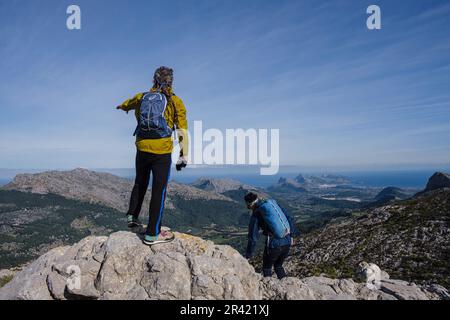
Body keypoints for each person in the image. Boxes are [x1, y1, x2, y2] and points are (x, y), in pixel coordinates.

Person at [116, 66, 188, 245]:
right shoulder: (175, 101)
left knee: (140, 182)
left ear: (153, 80)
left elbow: (128, 103)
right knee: (159, 191)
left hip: (141, 147)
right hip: (161, 151)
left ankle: (132, 216)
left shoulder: (142, 97)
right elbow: (182, 130)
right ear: (171, 81)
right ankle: (152, 234)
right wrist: (183, 155)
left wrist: (122, 107)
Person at [244, 192, 299, 279]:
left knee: (267, 269)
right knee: (278, 266)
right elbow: (290, 217)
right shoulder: (272, 204)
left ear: (249, 204)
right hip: (287, 241)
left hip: (274, 245)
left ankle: (270, 288)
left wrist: (248, 255)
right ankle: (285, 286)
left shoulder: (257, 213)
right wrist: (291, 235)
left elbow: (253, 238)